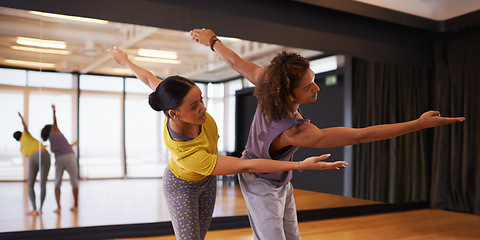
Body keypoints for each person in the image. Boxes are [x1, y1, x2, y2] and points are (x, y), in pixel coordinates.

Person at [190, 28, 466, 240]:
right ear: (288, 93)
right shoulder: (296, 132)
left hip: (280, 179)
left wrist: (213, 41)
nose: (317, 88)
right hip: (260, 182)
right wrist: (416, 124)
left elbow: (236, 62)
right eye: (308, 86)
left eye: (314, 80)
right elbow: (361, 135)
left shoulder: (268, 84)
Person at [107, 47, 347, 240]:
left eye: (200, 99)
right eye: (194, 106)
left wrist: (125, 60)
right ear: (174, 114)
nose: (203, 108)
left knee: (201, 233)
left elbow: (148, 78)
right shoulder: (188, 154)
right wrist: (299, 166)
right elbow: (246, 166)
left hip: (207, 180)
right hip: (181, 185)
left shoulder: (173, 99)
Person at [41, 105, 79, 214]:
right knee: (66, 182)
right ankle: (66, 206)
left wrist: (54, 112)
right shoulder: (54, 134)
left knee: (64, 182)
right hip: (66, 157)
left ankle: (66, 206)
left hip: (63, 158)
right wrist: (54, 111)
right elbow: (65, 147)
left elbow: (64, 147)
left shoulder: (54, 134)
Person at [13, 112, 51, 216]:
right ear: (21, 134)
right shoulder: (26, 134)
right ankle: (40, 209)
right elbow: (24, 126)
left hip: (32, 157)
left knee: (30, 184)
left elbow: (27, 155)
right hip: (43, 152)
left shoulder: (21, 148)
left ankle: (34, 209)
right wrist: (21, 117)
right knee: (43, 183)